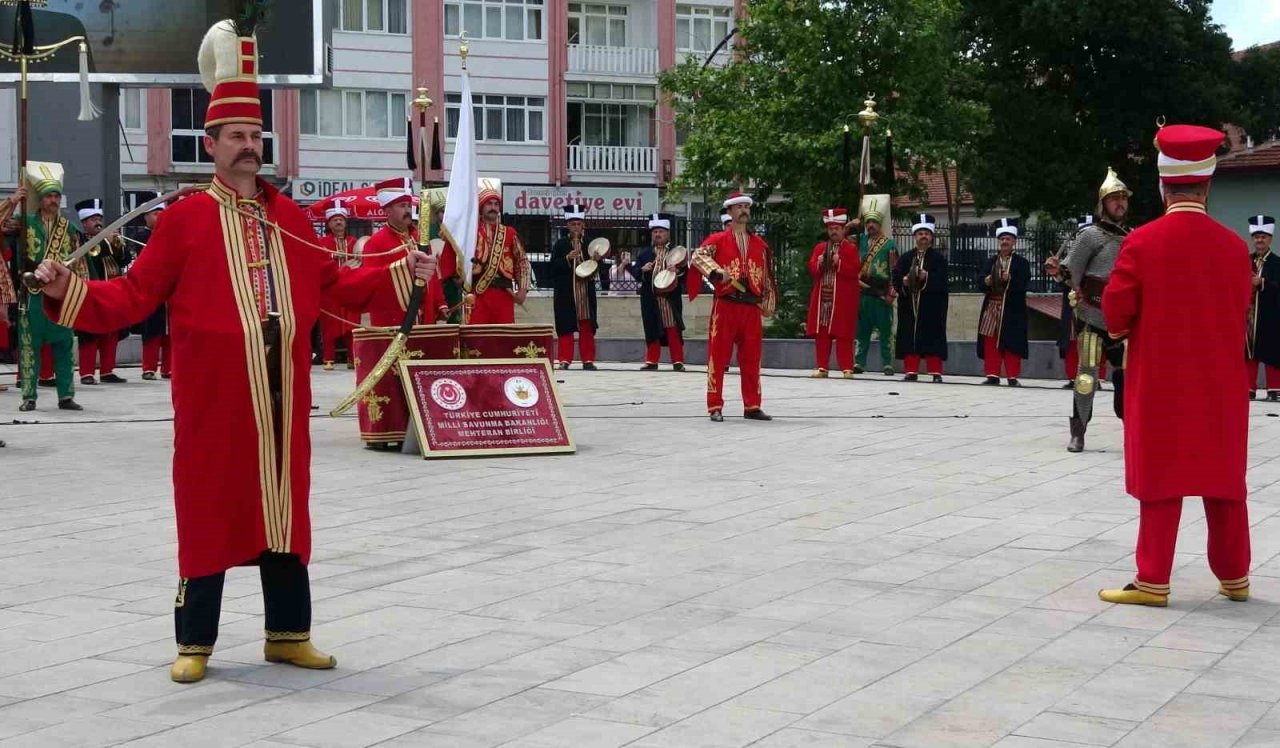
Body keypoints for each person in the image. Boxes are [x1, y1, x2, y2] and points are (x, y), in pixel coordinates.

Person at [32, 19, 438, 681]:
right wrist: (67, 288)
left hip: (282, 403)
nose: (250, 147)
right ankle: (195, 644)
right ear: (211, 143)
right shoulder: (186, 219)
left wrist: (401, 272)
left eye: (256, 136)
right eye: (237, 137)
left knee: (284, 513)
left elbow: (336, 286)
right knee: (210, 508)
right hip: (213, 402)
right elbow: (132, 297)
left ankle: (287, 635)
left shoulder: (290, 217)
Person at [1098, 124, 1252, 607]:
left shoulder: (1142, 243)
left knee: (1161, 477)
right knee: (1223, 479)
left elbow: (1116, 309)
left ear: (1164, 185)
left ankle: (1153, 579)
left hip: (1162, 380)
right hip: (1222, 383)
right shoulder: (1234, 247)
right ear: (1207, 184)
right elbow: (1242, 306)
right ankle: (1235, 577)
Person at [1063, 168, 1131, 452]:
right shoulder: (1090, 235)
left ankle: (1132, 430)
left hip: (1121, 319)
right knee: (1087, 375)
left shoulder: (1132, 237)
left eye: (1123, 199)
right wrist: (1072, 288)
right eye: (1114, 199)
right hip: (1092, 315)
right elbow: (1071, 271)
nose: (1120, 204)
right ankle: (1078, 431)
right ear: (1103, 204)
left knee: (1127, 376)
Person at [693, 192, 776, 422]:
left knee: (752, 358)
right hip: (726, 306)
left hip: (751, 308)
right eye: (738, 207)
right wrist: (716, 272)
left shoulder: (760, 244)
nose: (743, 211)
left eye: (746, 207)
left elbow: (768, 276)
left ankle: (752, 405)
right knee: (718, 357)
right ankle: (715, 405)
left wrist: (768, 303)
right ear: (729, 212)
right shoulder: (717, 240)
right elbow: (697, 256)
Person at [14, 162, 80, 411]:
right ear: (39, 199)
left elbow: (76, 261)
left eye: (56, 195)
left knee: (64, 345)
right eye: (48, 196)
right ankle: (29, 396)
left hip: (60, 294)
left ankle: (66, 396)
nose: (53, 200)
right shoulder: (24, 221)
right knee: (30, 346)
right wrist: (12, 202)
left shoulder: (68, 227)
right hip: (32, 293)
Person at [360, 177, 447, 327]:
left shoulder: (420, 238)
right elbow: (372, 285)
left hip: (425, 317)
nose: (408, 210)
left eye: (408, 205)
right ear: (387, 210)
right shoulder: (374, 244)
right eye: (402, 206)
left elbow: (431, 274)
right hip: (394, 320)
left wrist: (440, 304)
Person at [71, 198, 129, 385]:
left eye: (99, 218)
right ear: (84, 222)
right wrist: (108, 243)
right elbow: (92, 257)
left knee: (111, 333)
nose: (98, 222)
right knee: (89, 333)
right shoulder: (80, 239)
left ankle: (107, 371)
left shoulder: (108, 239)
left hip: (111, 292)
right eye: (93, 219)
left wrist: (119, 247)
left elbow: (123, 261)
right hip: (91, 292)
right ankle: (86, 373)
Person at [1047, 216, 1108, 388]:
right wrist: (1055, 271)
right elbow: (1063, 279)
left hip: (1095, 305)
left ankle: (1096, 378)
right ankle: (1073, 377)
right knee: (1073, 340)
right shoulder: (1071, 258)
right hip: (1073, 305)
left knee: (1096, 341)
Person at [893, 213, 948, 382]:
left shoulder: (939, 259)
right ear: (915, 236)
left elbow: (943, 280)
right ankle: (911, 371)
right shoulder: (905, 258)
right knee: (909, 335)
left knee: (933, 336)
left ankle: (936, 372)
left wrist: (927, 277)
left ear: (931, 236)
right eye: (920, 233)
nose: (923, 236)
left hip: (931, 305)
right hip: (910, 304)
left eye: (926, 233)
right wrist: (903, 281)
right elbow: (895, 277)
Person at [806, 208, 860, 378]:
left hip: (842, 299)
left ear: (843, 229)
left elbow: (854, 271)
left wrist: (840, 263)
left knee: (844, 332)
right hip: (823, 298)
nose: (833, 231)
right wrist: (819, 264)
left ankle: (847, 367)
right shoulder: (820, 247)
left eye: (836, 228)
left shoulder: (850, 249)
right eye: (830, 229)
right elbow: (812, 268)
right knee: (822, 333)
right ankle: (822, 366)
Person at [977, 218, 1030, 386]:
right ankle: (992, 375)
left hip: (1012, 309)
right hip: (992, 305)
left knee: (1011, 341)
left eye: (1008, 239)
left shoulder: (1022, 263)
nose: (1005, 241)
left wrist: (1010, 279)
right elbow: (979, 282)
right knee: (990, 340)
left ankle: (1012, 376)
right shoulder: (991, 261)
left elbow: (1024, 283)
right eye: (1002, 239)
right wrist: (986, 281)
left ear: (1014, 241)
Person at [470, 182, 530, 325]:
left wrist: (522, 289)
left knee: (503, 341)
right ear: (481, 206)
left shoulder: (509, 233)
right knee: (477, 341)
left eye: (496, 204)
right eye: (489, 204)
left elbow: (521, 261)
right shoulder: (471, 231)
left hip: (504, 296)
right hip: (478, 294)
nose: (493, 208)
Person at [632, 213, 686, 370]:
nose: (658, 234)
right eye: (655, 232)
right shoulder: (645, 254)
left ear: (667, 233)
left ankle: (678, 360)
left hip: (669, 298)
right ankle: (651, 361)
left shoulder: (677, 252)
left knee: (673, 327)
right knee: (651, 327)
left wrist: (677, 270)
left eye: (661, 231)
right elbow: (636, 273)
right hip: (650, 297)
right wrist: (642, 269)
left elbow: (685, 274)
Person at [550, 204, 599, 370]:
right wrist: (567, 258)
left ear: (583, 225)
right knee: (565, 325)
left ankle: (588, 360)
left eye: (579, 223)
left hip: (585, 291)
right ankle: (564, 359)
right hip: (566, 291)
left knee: (587, 324)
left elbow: (597, 270)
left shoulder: (590, 244)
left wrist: (596, 260)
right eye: (573, 224)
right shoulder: (560, 244)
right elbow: (552, 267)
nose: (576, 227)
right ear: (567, 225)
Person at [130, 193, 173, 380]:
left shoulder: (170, 234)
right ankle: (148, 367)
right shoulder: (140, 236)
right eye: (154, 213)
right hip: (151, 288)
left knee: (170, 332)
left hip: (169, 289)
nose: (158, 217)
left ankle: (168, 368)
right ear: (146, 216)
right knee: (152, 330)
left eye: (160, 213)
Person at [853, 208, 897, 375]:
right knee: (862, 330)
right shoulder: (861, 241)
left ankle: (887, 363)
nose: (871, 225)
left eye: (874, 222)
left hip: (881, 291)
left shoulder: (889, 244)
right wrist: (852, 224)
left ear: (880, 225)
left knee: (885, 330)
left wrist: (892, 293)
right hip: (863, 292)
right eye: (868, 222)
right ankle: (859, 362)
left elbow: (895, 270)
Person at [317, 199, 356, 370]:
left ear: (346, 222)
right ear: (328, 223)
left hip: (350, 288)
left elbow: (360, 261)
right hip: (330, 289)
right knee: (329, 325)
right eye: (335, 219)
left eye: (341, 219)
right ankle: (328, 358)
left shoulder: (354, 242)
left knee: (352, 324)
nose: (339, 222)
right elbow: (317, 263)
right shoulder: (321, 243)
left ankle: (352, 358)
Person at [1246, 214, 1279, 400]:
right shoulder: (1245, 260)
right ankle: (1248, 388)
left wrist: (1263, 282)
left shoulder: (1277, 263)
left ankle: (1274, 389)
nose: (1260, 240)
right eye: (1257, 237)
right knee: (1248, 351)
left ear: (1270, 239)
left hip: (1271, 315)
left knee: (1272, 348)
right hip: (1249, 315)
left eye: (1263, 237)